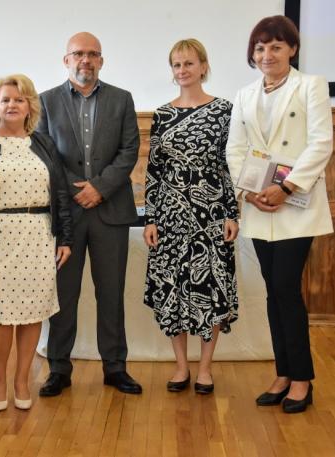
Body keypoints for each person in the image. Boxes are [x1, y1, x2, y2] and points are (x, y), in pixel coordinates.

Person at [226, 15, 333, 413]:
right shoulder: (245, 94)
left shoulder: (311, 86)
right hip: (259, 204)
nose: (267, 54)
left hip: (295, 205)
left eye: (275, 46)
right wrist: (249, 191)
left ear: (292, 49)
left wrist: (286, 187)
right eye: (260, 48)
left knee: (286, 288)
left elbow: (321, 143)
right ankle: (283, 373)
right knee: (273, 291)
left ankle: (302, 378)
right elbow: (235, 148)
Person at [36, 32, 141, 396]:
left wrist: (100, 188)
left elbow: (129, 150)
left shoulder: (122, 99)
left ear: (101, 61)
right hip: (66, 214)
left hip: (111, 210)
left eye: (93, 54)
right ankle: (58, 369)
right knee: (63, 294)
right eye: (79, 53)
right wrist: (76, 190)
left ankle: (115, 367)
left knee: (111, 293)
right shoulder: (46, 101)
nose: (86, 60)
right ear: (66, 60)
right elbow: (44, 152)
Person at [0, 74, 73, 411]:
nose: (12, 105)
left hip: (39, 234)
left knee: (33, 312)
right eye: (5, 100)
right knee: (1, 314)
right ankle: (0, 380)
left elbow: (60, 192)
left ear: (30, 106)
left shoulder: (44, 144)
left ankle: (21, 380)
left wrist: (65, 237)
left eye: (19, 99)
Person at [143, 39, 239, 395]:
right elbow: (154, 170)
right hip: (169, 217)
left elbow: (229, 165)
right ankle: (181, 366)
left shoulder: (223, 110)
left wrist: (231, 212)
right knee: (173, 290)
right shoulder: (162, 114)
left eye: (189, 63)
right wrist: (151, 218)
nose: (182, 70)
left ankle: (205, 369)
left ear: (203, 66)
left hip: (211, 215)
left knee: (210, 289)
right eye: (177, 64)